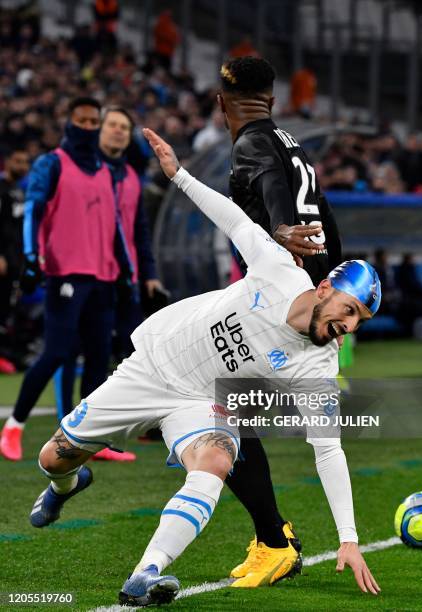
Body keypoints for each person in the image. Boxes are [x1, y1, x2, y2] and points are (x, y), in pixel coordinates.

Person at [29, 129, 381, 607]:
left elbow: (329, 451)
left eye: (359, 318)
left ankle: (145, 574)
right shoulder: (280, 270)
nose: (349, 324)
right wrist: (179, 176)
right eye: (349, 309)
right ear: (324, 290)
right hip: (154, 365)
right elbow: (234, 220)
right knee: (54, 457)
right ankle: (65, 485)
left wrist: (349, 538)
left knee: (217, 458)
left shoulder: (316, 363)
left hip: (202, 400)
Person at [216, 56, 343, 586]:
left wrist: (279, 229)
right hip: (310, 300)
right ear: (271, 99)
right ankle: (273, 537)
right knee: (233, 411)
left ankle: (275, 540)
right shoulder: (295, 145)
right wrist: (332, 282)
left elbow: (271, 191)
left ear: (222, 102)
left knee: (220, 412)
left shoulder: (250, 145)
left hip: (279, 305)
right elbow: (328, 220)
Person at [0, 97, 119, 462]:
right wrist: (32, 258)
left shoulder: (104, 169)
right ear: (68, 122)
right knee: (56, 353)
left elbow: (112, 225)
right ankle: (13, 427)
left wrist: (125, 269)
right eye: (80, 120)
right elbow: (33, 208)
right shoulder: (51, 163)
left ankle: (89, 439)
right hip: (65, 274)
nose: (87, 126)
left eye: (92, 120)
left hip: (102, 276)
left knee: (99, 358)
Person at [53, 105, 163, 462]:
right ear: (98, 130)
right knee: (70, 350)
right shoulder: (78, 168)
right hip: (84, 272)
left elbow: (138, 232)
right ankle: (68, 426)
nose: (116, 131)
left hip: (123, 280)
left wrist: (148, 273)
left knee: (132, 352)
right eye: (111, 125)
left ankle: (116, 427)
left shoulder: (131, 175)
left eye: (123, 127)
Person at [0, 146, 30, 372]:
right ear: (7, 161)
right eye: (18, 161)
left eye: (25, 162)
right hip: (3, 261)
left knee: (9, 310)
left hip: (15, 262)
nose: (22, 166)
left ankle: (8, 355)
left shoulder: (19, 191)